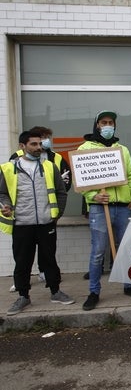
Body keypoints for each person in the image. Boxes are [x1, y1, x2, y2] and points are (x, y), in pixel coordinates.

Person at [0, 130, 74, 316]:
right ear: (22, 146)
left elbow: (61, 192)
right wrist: (6, 206)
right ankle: (23, 296)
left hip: (46, 223)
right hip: (21, 223)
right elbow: (2, 193)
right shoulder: (9, 168)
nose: (38, 148)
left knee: (49, 258)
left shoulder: (49, 166)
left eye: (40, 144)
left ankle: (55, 292)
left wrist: (56, 215)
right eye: (33, 144)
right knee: (22, 261)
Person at [80, 110, 131, 311]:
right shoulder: (85, 148)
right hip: (100, 208)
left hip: (123, 207)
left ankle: (128, 284)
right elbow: (81, 181)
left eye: (111, 122)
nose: (108, 125)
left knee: (125, 248)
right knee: (98, 251)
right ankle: (94, 291)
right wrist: (92, 197)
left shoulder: (122, 149)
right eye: (104, 122)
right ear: (97, 125)